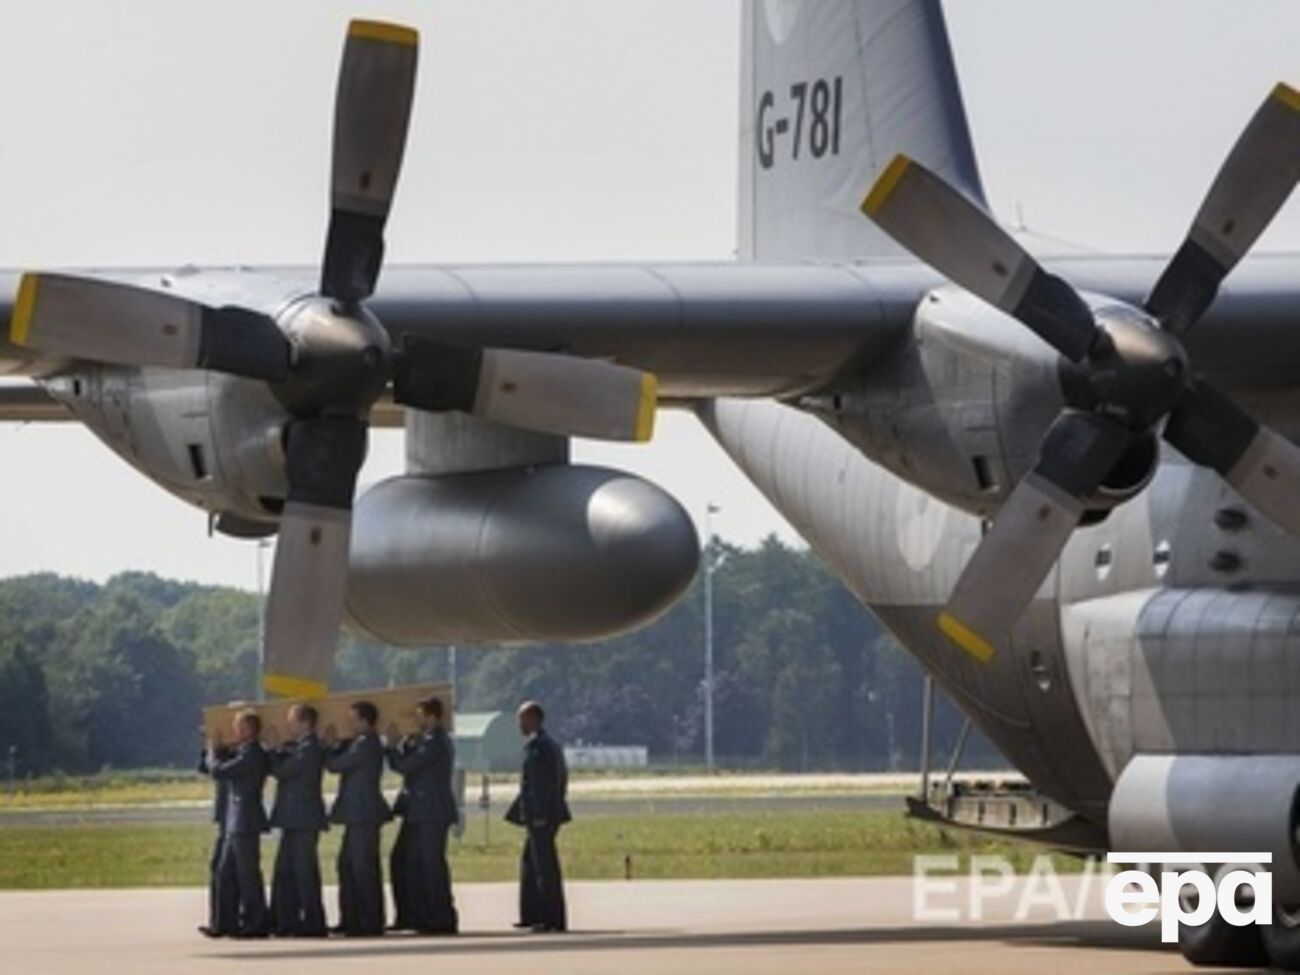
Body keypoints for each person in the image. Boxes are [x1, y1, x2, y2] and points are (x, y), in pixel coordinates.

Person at [388, 696, 459, 935]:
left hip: (431, 812)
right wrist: (406, 744)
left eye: (420, 716)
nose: (416, 721)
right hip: (419, 812)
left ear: (432, 717)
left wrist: (392, 745)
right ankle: (417, 914)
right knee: (409, 862)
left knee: (431, 865)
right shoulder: (427, 741)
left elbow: (406, 766)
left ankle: (441, 917)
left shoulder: (436, 742)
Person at [325, 700, 392, 937]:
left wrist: (329, 745)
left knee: (363, 869)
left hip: (363, 814)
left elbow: (336, 765)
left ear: (364, 720)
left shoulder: (366, 744)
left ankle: (369, 921)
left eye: (353, 719)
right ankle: (352, 917)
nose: (349, 724)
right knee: (347, 866)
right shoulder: (360, 743)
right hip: (357, 814)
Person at [505, 700, 570, 933]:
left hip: (541, 815)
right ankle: (532, 914)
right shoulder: (545, 745)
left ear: (533, 719)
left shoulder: (540, 747)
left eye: (521, 719)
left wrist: (541, 813)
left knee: (545, 868)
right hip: (539, 814)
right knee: (530, 864)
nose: (519, 724)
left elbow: (545, 784)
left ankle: (551, 918)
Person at [207, 709, 271, 938]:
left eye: (240, 727)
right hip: (235, 821)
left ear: (250, 730)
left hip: (246, 820)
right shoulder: (242, 751)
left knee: (247, 875)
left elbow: (218, 770)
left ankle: (256, 923)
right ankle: (225, 923)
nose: (236, 731)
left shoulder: (252, 753)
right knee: (225, 873)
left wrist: (212, 752)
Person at [269, 703, 328, 938]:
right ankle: (287, 920)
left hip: (303, 819)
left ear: (305, 722)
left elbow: (284, 771)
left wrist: (273, 751)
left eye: (292, 720)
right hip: (293, 819)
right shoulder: (300, 747)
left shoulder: (310, 747)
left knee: (304, 872)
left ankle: (313, 922)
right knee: (285, 871)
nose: (288, 725)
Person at [197, 742, 236, 938]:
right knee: (219, 868)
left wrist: (213, 754)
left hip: (235, 817)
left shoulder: (241, 753)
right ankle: (220, 921)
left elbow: (217, 770)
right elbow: (204, 767)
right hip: (226, 817)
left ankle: (226, 922)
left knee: (228, 869)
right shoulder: (226, 751)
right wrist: (209, 746)